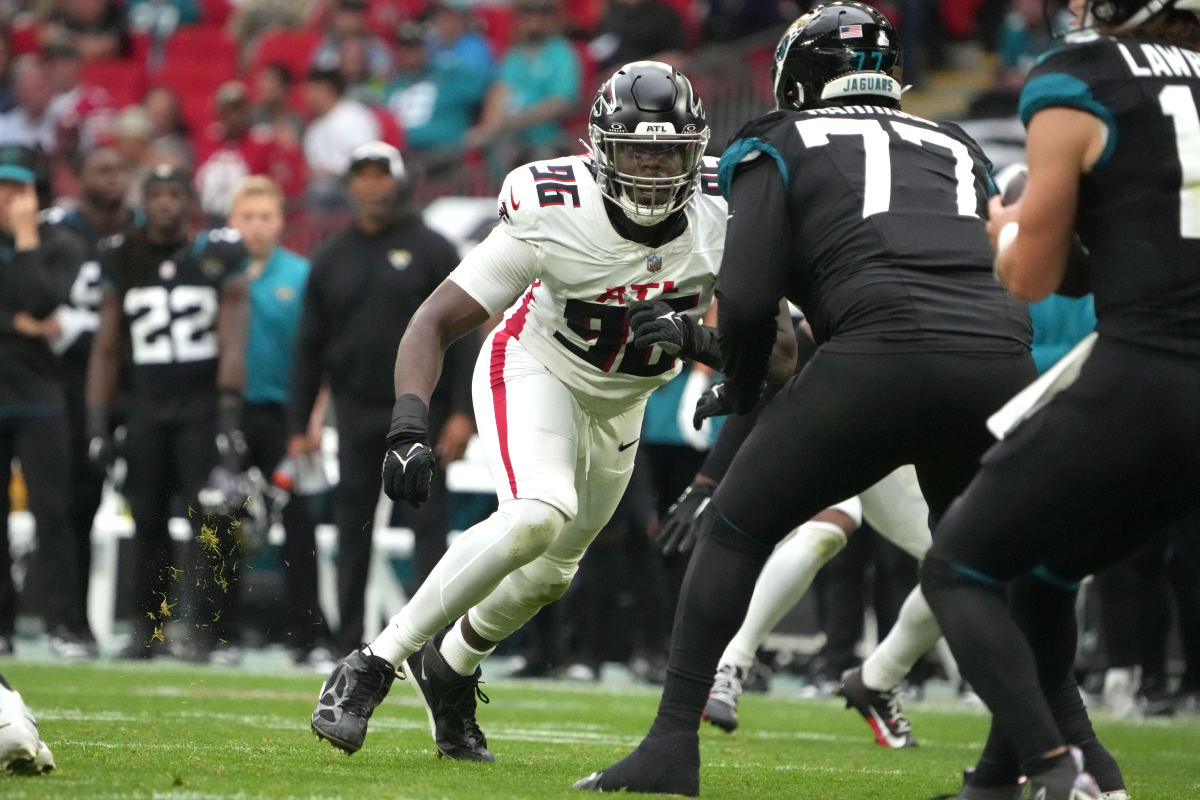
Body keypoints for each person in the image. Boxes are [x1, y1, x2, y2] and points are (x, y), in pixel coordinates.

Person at [573, 6, 1036, 795]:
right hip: (999, 357)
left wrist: (739, 383)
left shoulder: (777, 138)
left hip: (880, 358)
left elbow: (750, 305)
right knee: (980, 565)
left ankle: (671, 743)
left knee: (735, 527)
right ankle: (1034, 761)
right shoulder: (955, 141)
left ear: (797, 77)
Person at [308, 61, 792, 763]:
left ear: (696, 152)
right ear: (601, 149)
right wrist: (409, 422)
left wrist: (701, 340)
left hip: (623, 402)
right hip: (537, 367)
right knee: (538, 510)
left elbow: (781, 356)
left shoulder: (729, 208)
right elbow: (434, 321)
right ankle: (371, 664)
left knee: (550, 573)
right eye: (636, 149)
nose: (653, 168)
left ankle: (449, 668)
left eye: (667, 151)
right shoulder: (554, 204)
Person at [920, 0, 1200, 797]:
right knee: (1041, 574)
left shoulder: (1083, 74)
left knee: (957, 568)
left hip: (1146, 370)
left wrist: (1007, 227)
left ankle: (1055, 772)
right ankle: (1006, 781)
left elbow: (1030, 277)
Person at [287, 141, 476, 655]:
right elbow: (309, 347)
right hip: (353, 410)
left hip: (424, 413)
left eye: (380, 174)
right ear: (349, 186)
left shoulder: (434, 247)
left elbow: (464, 335)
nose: (371, 185)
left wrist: (464, 412)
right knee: (353, 527)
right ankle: (348, 639)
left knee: (427, 528)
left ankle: (429, 641)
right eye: (362, 175)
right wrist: (299, 423)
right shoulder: (330, 257)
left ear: (399, 181)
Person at [87, 165, 249, 661]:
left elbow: (233, 336)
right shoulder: (123, 256)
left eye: (173, 194)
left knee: (212, 520)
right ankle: (146, 629)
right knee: (149, 520)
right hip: (145, 407)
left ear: (190, 202)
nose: (163, 204)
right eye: (154, 194)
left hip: (200, 406)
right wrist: (98, 420)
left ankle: (207, 630)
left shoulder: (217, 254)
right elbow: (107, 346)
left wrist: (228, 412)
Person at [225, 175, 333, 668]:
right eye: (248, 217)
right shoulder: (219, 272)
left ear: (281, 222)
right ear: (233, 222)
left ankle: (307, 636)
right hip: (231, 414)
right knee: (222, 518)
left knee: (299, 523)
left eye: (266, 216)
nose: (257, 226)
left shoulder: (302, 274)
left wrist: (314, 417)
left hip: (287, 416)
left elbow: (321, 352)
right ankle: (218, 635)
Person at [40, 145, 137, 660]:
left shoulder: (143, 231)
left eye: (120, 167)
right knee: (68, 504)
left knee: (137, 502)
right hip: (66, 387)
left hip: (134, 385)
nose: (114, 177)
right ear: (77, 176)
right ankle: (68, 620)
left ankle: (146, 628)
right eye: (102, 168)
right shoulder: (57, 231)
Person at [0, 144, 87, 657]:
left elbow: (41, 299)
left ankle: (63, 625)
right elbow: (27, 315)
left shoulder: (61, 243)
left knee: (53, 513)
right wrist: (14, 324)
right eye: (3, 187)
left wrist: (27, 236)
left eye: (19, 188)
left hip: (41, 398)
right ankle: (3, 626)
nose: (9, 198)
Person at [0, 672, 53, 774]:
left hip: (11, 724)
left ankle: (14, 738)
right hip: (20, 720)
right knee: (16, 738)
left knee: (13, 738)